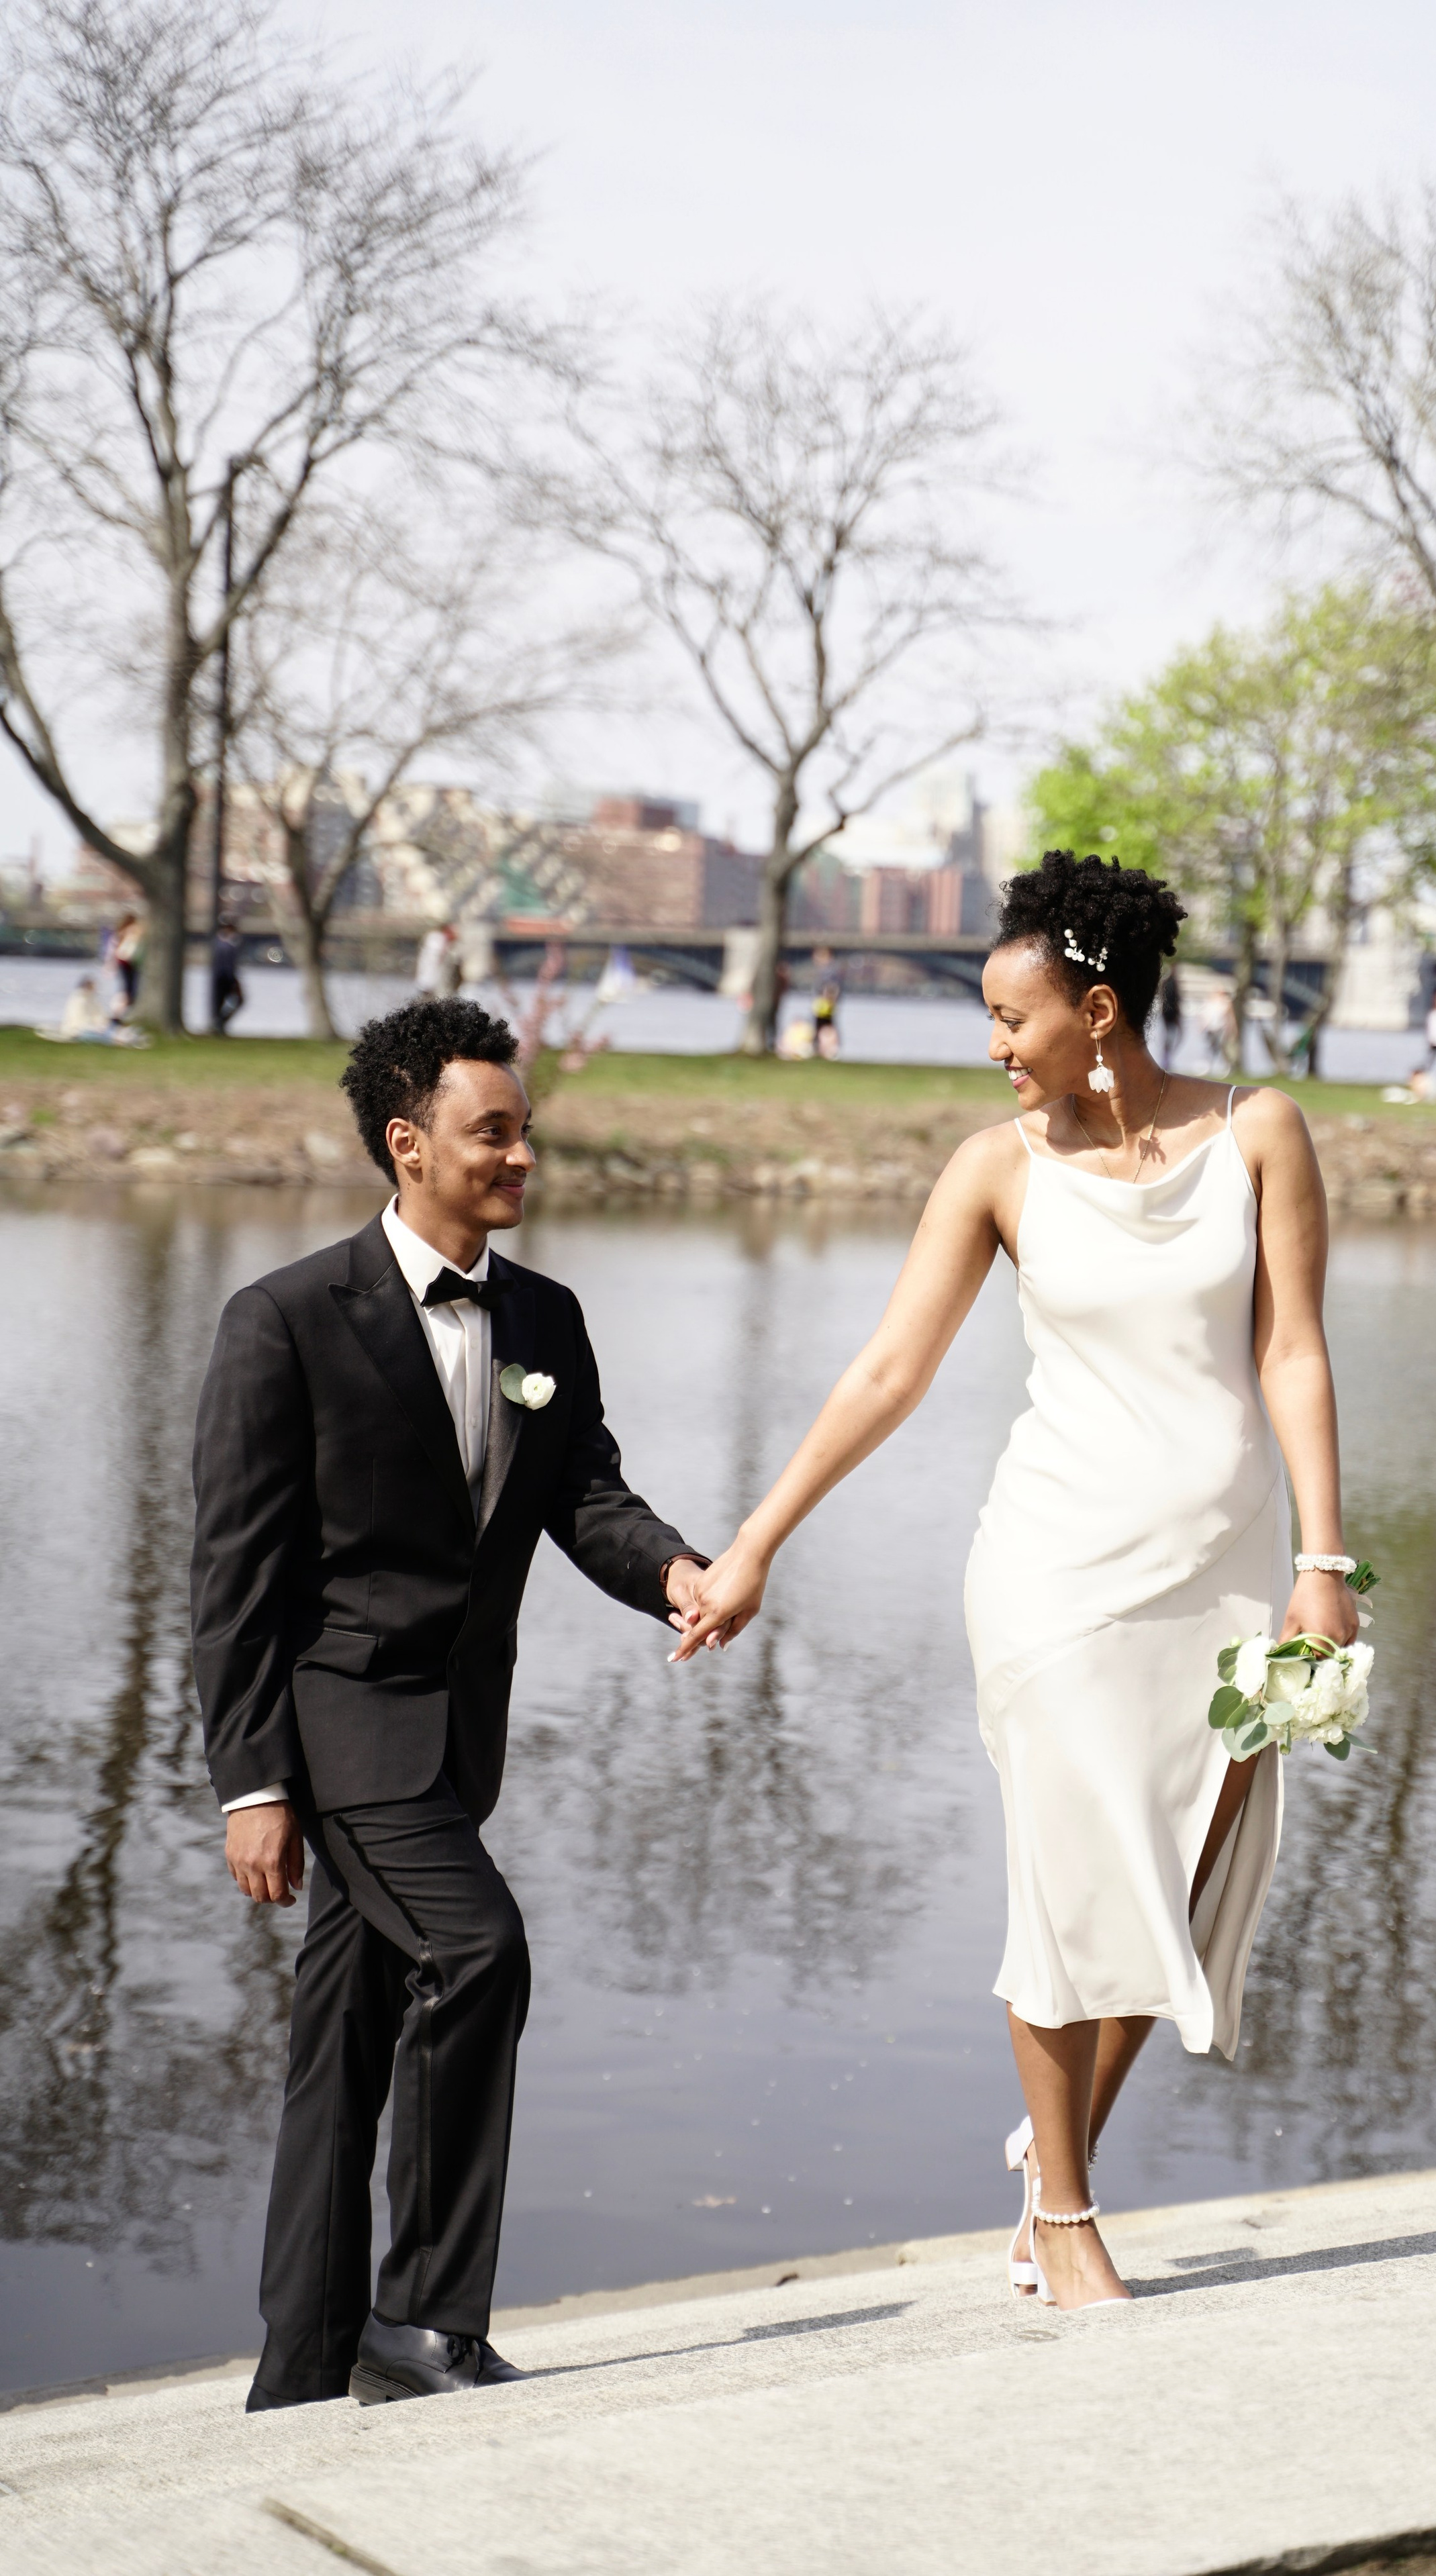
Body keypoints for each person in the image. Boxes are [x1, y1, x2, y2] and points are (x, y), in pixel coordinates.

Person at [673, 850, 1357, 2312]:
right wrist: (754, 1542)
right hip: (1052, 1571)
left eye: (1008, 1015)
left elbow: (1289, 1349)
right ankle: (1062, 2214)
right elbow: (887, 1370)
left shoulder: (1258, 1134)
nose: (990, 1044)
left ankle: (1052, 2169)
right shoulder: (993, 1168)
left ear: (1096, 1009)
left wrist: (1321, 1559)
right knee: (1066, 1883)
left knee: (1162, 1886)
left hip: (1229, 1576)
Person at [191, 997, 710, 2410]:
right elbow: (234, 1578)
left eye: (525, 1129)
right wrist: (253, 1781)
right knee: (478, 1951)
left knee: (344, 2041)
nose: (521, 1155)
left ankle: (302, 2365)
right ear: (408, 1144)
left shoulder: (545, 1316)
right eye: (494, 1132)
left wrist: (674, 1570)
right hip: (344, 1736)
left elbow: (582, 1495)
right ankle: (422, 2326)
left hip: (455, 1740)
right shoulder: (284, 1319)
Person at [210, 915, 244, 1035]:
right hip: (224, 977)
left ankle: (220, 1023)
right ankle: (219, 1025)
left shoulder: (226, 942)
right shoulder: (224, 943)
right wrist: (232, 981)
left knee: (236, 1001)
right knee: (224, 1002)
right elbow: (227, 964)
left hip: (224, 976)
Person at [111, 911, 141, 1015]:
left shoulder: (121, 931)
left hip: (122, 960)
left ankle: (120, 1009)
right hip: (130, 960)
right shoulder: (134, 929)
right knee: (130, 988)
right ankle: (123, 1009)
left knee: (125, 987)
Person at [1157, 965, 1182, 1069]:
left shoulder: (1166, 983)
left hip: (1167, 1014)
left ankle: (1166, 1060)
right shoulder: (1172, 983)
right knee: (1171, 1037)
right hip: (1171, 1015)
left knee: (1169, 1037)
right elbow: (1175, 1001)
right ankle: (1166, 1060)